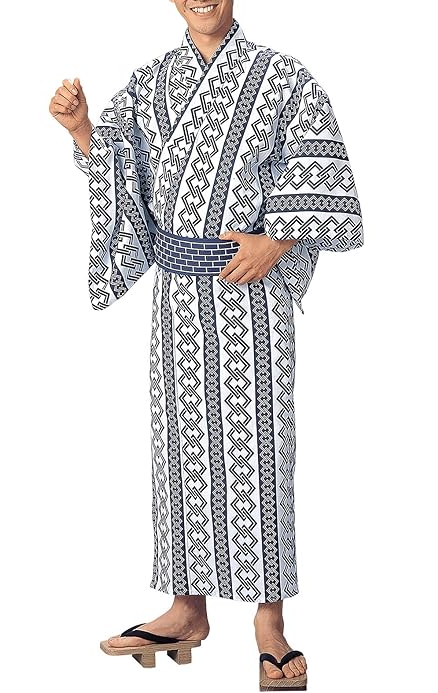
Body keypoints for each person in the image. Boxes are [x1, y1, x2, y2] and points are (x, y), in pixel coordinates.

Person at [49, 0, 363, 687]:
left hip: (251, 292)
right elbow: (119, 171)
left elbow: (322, 180)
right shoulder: (151, 81)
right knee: (182, 448)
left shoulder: (284, 77)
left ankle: (270, 624)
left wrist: (279, 239)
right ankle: (186, 608)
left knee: (260, 449)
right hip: (178, 298)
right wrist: (82, 130)